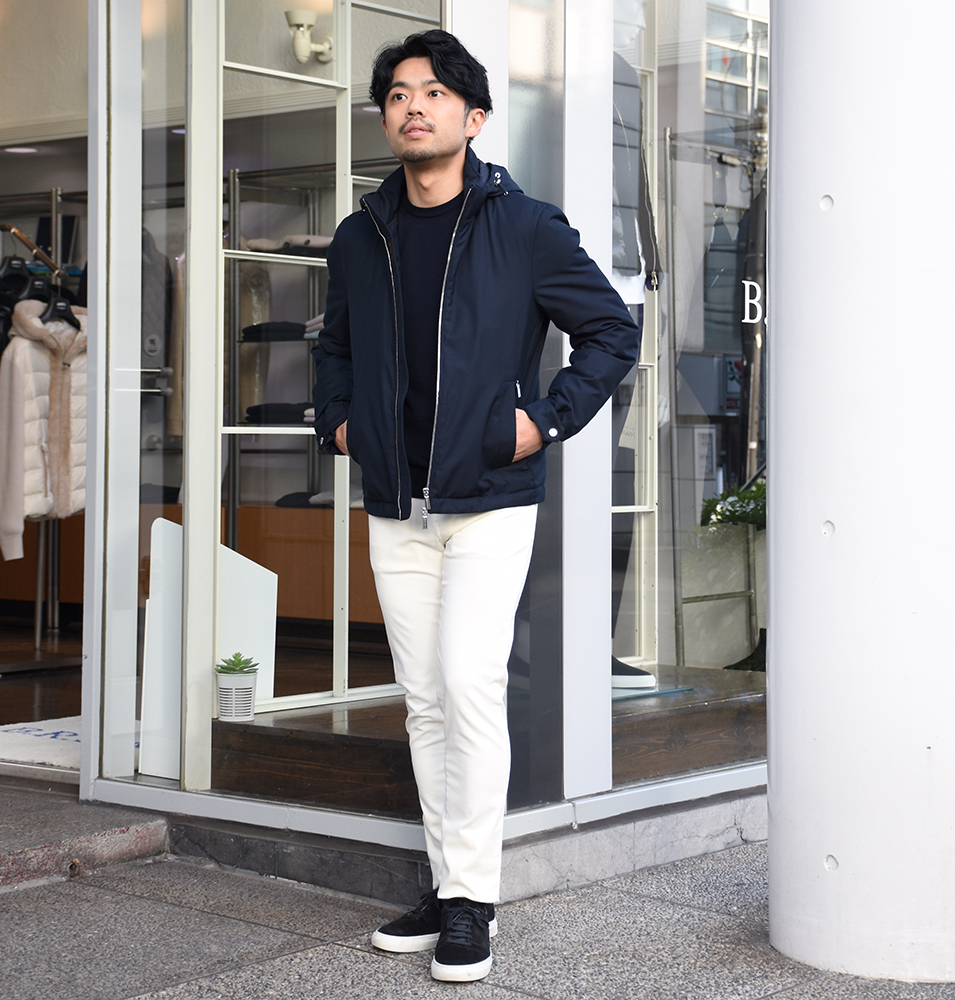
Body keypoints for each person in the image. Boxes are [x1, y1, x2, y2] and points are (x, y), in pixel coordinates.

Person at [312, 29, 640, 983]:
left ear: (474, 116)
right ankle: (447, 880)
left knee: (467, 685)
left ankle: (471, 902)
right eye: (397, 95)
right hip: (395, 502)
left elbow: (610, 333)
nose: (412, 106)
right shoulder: (360, 235)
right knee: (422, 700)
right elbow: (336, 347)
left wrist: (542, 422)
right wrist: (340, 425)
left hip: (490, 496)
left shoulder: (525, 226)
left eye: (432, 92)